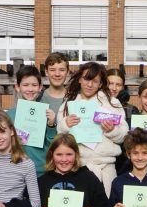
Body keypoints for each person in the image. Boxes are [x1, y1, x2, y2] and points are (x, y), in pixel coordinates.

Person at [55, 61, 129, 195]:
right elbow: (60, 137)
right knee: (80, 206)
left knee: (105, 205)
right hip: (77, 167)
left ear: (100, 84)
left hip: (105, 168)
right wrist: (66, 125)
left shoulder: (112, 103)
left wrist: (112, 130)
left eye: (95, 81)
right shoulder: (69, 104)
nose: (89, 85)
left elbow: (124, 134)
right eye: (86, 79)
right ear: (79, 79)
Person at [7, 66, 57, 175]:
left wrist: (51, 125)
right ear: (17, 87)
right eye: (25, 85)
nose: (30, 89)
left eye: (34, 85)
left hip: (41, 170)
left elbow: (53, 145)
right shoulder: (9, 115)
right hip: (16, 170)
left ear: (40, 87)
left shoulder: (47, 113)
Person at [39, 51, 72, 117]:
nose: (57, 74)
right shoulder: (38, 98)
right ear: (46, 72)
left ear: (68, 72)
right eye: (52, 70)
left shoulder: (74, 98)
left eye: (62, 70)